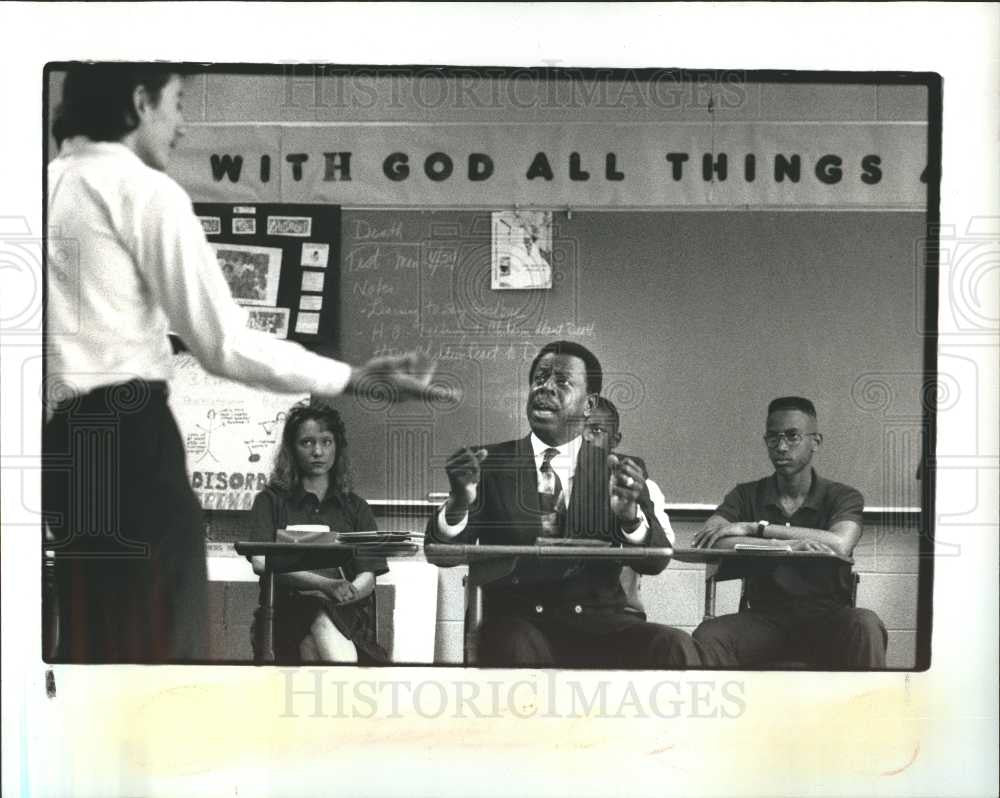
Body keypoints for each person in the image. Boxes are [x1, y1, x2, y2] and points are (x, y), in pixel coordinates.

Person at [43, 63, 451, 663]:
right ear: (139, 100)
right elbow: (224, 344)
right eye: (176, 102)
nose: (181, 126)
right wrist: (352, 378)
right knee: (155, 650)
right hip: (129, 439)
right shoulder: (140, 190)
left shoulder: (36, 188)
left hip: (63, 444)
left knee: (84, 642)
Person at [425, 341, 701, 668]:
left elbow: (655, 563)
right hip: (519, 624)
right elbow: (439, 553)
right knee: (515, 647)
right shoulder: (491, 463)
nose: (545, 389)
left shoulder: (617, 468)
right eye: (539, 379)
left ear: (589, 404)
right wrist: (459, 502)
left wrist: (630, 518)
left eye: (562, 382)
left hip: (602, 626)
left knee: (674, 646)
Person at [691, 397, 887, 668]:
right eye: (773, 438)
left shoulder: (843, 496)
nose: (781, 447)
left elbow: (839, 544)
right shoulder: (746, 494)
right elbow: (712, 536)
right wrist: (791, 545)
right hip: (763, 620)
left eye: (793, 436)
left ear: (815, 442)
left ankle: (867, 709)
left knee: (866, 624)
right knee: (709, 635)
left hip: (827, 620)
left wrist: (756, 528)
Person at [247, 401, 386, 664]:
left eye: (326, 441)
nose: (318, 451)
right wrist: (324, 586)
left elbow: (368, 573)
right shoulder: (270, 501)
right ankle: (346, 692)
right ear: (291, 449)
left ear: (337, 447)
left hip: (345, 613)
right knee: (316, 613)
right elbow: (260, 562)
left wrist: (350, 592)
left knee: (315, 635)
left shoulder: (355, 507)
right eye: (307, 443)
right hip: (284, 613)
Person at [582, 396, 676, 617]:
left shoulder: (639, 487)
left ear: (614, 441)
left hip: (618, 612)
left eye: (596, 430)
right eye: (576, 430)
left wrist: (631, 519)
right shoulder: (546, 480)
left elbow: (661, 555)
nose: (584, 438)